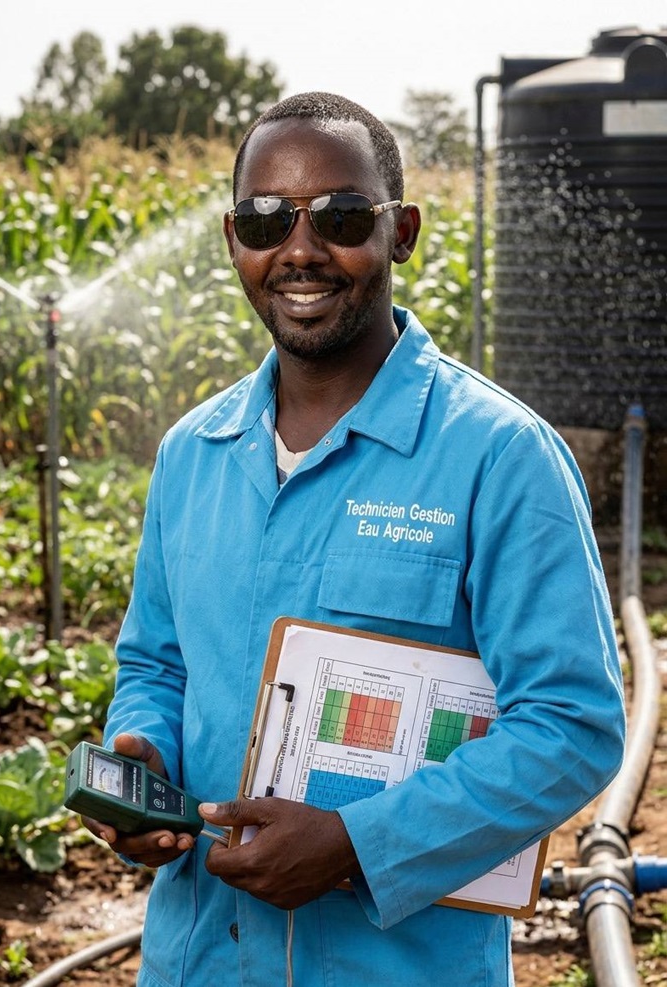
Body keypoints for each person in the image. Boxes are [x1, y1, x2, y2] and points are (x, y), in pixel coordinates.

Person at [83, 92, 625, 987]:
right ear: (233, 242)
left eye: (340, 216)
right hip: (197, 960)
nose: (299, 250)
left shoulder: (498, 456)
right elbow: (156, 666)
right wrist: (144, 757)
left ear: (400, 232)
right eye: (265, 221)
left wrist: (357, 845)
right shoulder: (193, 454)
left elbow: (572, 725)